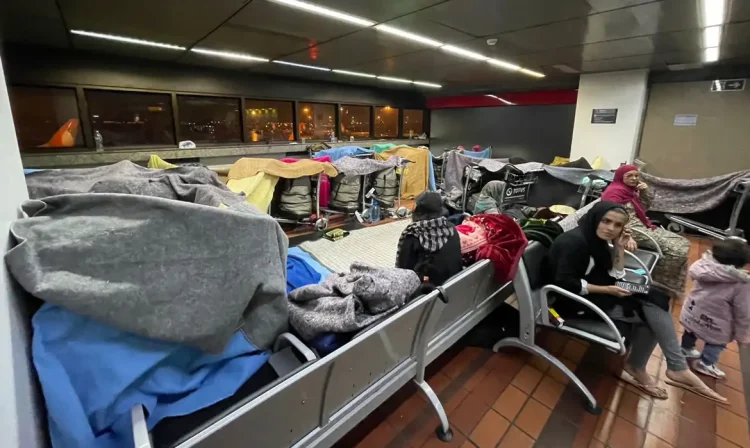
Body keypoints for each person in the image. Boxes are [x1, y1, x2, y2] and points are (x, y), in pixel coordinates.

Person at [545, 201, 726, 403]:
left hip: (604, 287)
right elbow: (566, 283)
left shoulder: (597, 240)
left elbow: (616, 273)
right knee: (647, 316)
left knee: (656, 296)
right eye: (606, 221)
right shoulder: (573, 243)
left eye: (617, 225)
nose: (611, 229)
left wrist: (619, 249)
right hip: (574, 301)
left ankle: (675, 366)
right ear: (596, 219)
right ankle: (651, 367)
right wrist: (608, 290)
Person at [601, 165, 690, 295]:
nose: (634, 178)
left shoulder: (629, 191)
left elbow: (643, 208)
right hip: (631, 230)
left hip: (642, 226)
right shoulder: (613, 193)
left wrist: (644, 192)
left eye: (636, 176)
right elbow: (611, 218)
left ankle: (664, 281)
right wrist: (627, 235)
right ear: (621, 177)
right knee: (677, 250)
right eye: (629, 176)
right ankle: (662, 284)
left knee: (684, 243)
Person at [680, 239, 750, 378]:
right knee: (716, 343)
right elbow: (743, 311)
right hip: (717, 322)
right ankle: (705, 363)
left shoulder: (704, 266)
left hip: (693, 310)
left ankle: (685, 348)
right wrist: (743, 334)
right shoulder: (741, 283)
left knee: (690, 330)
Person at [396, 191, 462, 287]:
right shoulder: (451, 228)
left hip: (426, 292)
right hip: (453, 286)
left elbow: (403, 272)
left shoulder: (413, 234)